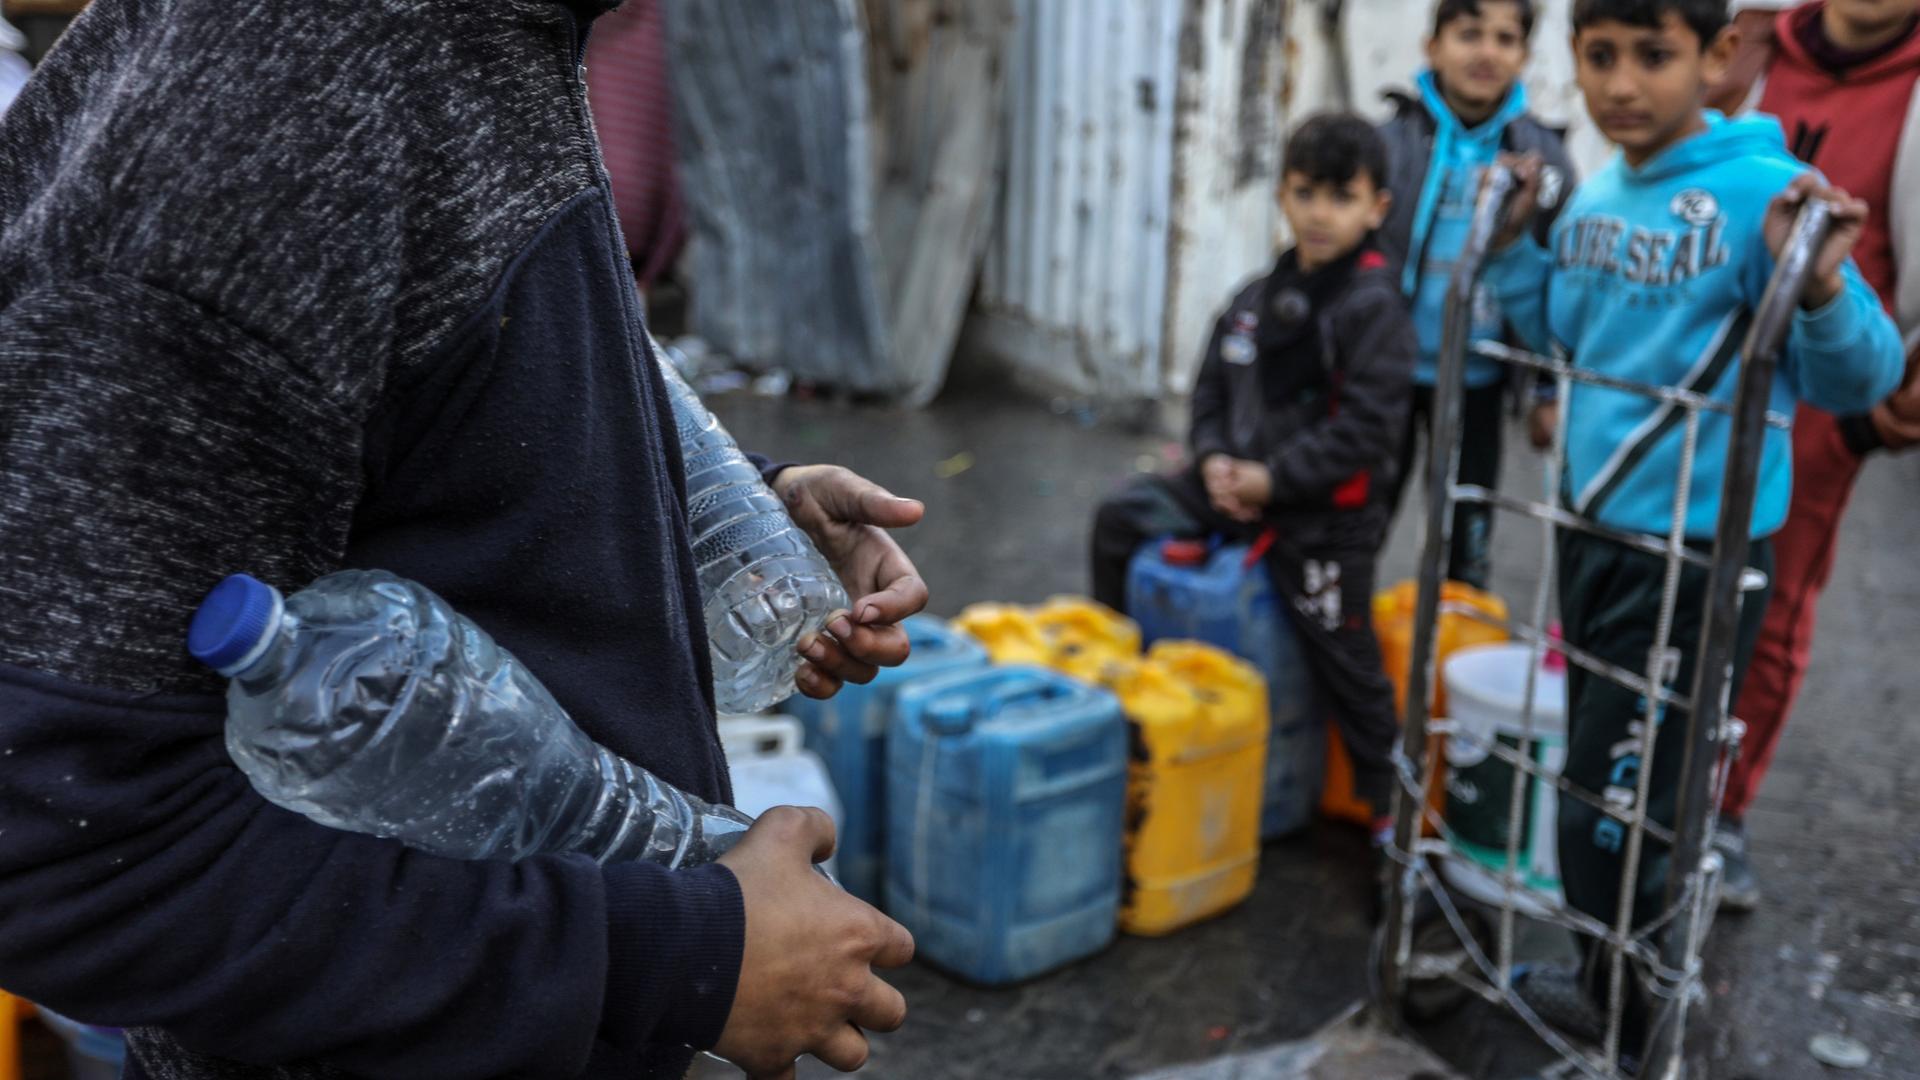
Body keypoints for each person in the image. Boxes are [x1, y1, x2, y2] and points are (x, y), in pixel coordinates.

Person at [0, 3, 929, 1079]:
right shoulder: (279, 112)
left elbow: (432, 382)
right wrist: (674, 954)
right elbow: (62, 848)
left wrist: (722, 506)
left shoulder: (494, 34)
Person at [1486, 0, 1905, 1065]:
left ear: (1720, 58)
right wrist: (1521, 245)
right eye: (1601, 57)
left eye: (1654, 56)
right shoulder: (1601, 194)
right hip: (1590, 542)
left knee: (1617, 818)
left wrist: (1816, 286)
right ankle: (1608, 987)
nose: (1624, 84)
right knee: (1592, 789)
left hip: (1693, 562)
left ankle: (1639, 1027)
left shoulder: (1767, 195)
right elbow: (1561, 330)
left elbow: (1861, 375)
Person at [1090, 113, 1416, 849]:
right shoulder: (1251, 298)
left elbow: (1367, 434)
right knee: (1120, 518)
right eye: (1306, 193)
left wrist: (1273, 480)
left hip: (1323, 520)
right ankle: (1127, 702)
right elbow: (1207, 394)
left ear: (1377, 209)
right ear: (1282, 196)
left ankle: (1392, 825)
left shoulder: (1374, 311)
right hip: (1229, 487)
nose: (1321, 213)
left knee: (1349, 660)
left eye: (1342, 197)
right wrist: (1212, 463)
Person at [1699, 0, 1920, 912]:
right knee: (1658, 571)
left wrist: (1880, 415)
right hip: (1697, 366)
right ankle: (1637, 780)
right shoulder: (1754, 43)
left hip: (1825, 396)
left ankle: (1722, 809)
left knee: (1771, 597)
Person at [1378, 0, 1578, 590]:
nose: (1487, 52)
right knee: (1361, 515)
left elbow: (1559, 283)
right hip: (1387, 373)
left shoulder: (1547, 162)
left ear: (1523, 56)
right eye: (1469, 34)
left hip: (1479, 382)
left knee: (1466, 531)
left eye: (1504, 38)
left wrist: (1547, 386)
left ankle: (1453, 646)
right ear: (1432, 46)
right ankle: (1348, 650)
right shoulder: (1389, 145)